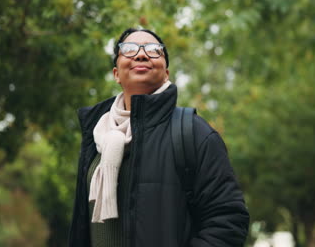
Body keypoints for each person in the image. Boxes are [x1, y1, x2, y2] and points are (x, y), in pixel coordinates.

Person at [68, 28, 249, 247]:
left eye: (154, 50)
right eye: (129, 49)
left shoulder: (194, 133)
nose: (141, 54)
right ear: (116, 73)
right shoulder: (95, 137)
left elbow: (228, 221)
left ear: (166, 73)